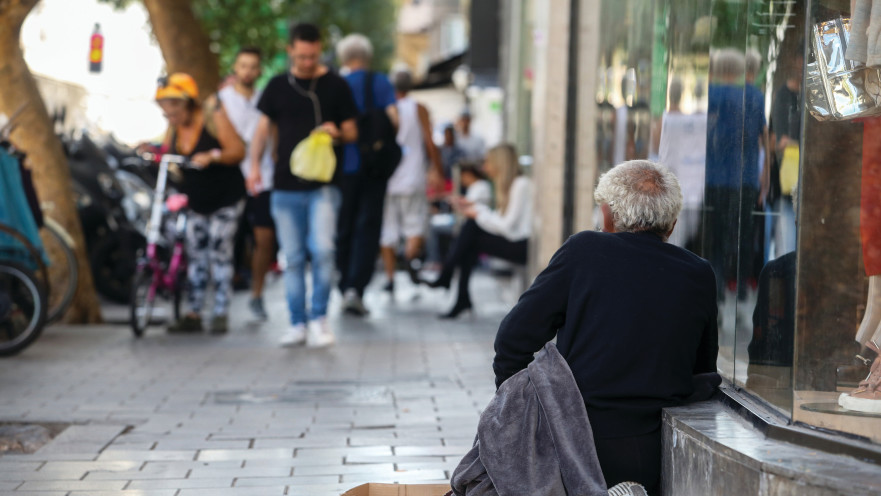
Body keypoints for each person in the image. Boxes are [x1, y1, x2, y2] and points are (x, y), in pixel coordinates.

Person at [492, 160, 718, 495]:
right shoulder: (699, 272)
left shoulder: (585, 250)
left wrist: (517, 410)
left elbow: (513, 340)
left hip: (577, 438)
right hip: (657, 444)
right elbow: (702, 371)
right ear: (671, 224)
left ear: (607, 215)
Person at [248, 23, 359, 347]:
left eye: (313, 56)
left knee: (323, 251)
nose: (308, 62)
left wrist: (336, 131)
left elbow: (353, 131)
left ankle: (320, 319)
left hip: (324, 185)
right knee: (292, 258)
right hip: (284, 186)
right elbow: (262, 129)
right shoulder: (277, 86)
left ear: (320, 49)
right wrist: (254, 166)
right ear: (290, 51)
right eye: (301, 57)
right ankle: (297, 323)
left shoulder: (336, 85)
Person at [156, 73, 246, 334]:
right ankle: (193, 314)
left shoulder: (212, 117)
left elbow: (237, 151)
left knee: (220, 252)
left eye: (174, 104)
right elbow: (167, 153)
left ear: (188, 102)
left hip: (226, 199)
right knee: (195, 255)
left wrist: (213, 155)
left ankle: (220, 312)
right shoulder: (173, 126)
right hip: (196, 200)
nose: (169, 111)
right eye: (165, 106)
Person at [423, 144, 532, 319]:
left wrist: (477, 212)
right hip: (512, 240)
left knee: (471, 229)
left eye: (488, 161)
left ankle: (448, 277)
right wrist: (476, 209)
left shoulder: (521, 184)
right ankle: (459, 295)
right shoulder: (509, 185)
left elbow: (506, 226)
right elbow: (499, 219)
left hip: (521, 245)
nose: (484, 167)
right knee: (470, 238)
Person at [335, 34, 398, 317]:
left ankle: (344, 281)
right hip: (374, 167)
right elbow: (394, 119)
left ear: (344, 57)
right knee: (368, 226)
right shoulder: (381, 82)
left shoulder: (339, 84)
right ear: (368, 56)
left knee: (344, 225)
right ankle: (356, 289)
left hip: (345, 167)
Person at [218, 46, 277, 321]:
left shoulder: (267, 99)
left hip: (263, 179)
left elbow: (273, 136)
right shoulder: (221, 100)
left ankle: (257, 294)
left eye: (253, 66)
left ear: (259, 70)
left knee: (264, 238)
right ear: (235, 68)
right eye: (243, 65)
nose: (248, 71)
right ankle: (222, 298)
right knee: (229, 238)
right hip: (231, 177)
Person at [379, 70, 443, 294]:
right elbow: (430, 142)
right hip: (413, 176)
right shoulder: (418, 108)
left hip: (387, 177)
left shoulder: (386, 107)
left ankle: (389, 278)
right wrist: (438, 168)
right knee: (415, 225)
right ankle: (408, 261)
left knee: (387, 230)